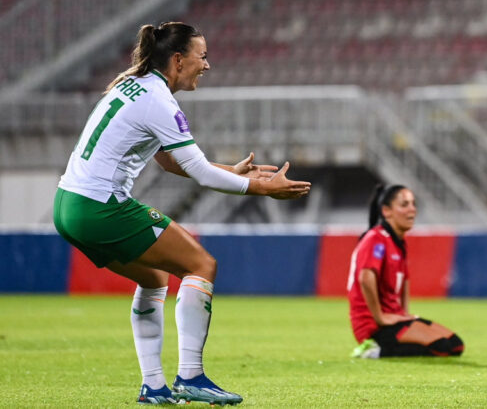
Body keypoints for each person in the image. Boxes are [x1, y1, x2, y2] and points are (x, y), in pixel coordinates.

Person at [52, 22, 311, 406]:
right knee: (201, 265)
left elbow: (172, 162)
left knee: (156, 279)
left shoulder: (134, 86)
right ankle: (191, 376)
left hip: (69, 205)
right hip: (100, 207)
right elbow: (200, 174)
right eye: (201, 56)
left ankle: (153, 387)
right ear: (177, 59)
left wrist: (233, 171)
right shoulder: (158, 99)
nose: (206, 65)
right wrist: (261, 188)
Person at [346, 184, 464, 359]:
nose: (412, 210)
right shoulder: (376, 239)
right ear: (386, 211)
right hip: (375, 326)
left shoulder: (397, 243)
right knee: (442, 347)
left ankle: (385, 347)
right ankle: (374, 350)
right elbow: (365, 278)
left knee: (455, 345)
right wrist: (380, 317)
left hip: (394, 319)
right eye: (404, 204)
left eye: (413, 204)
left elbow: (404, 282)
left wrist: (405, 315)